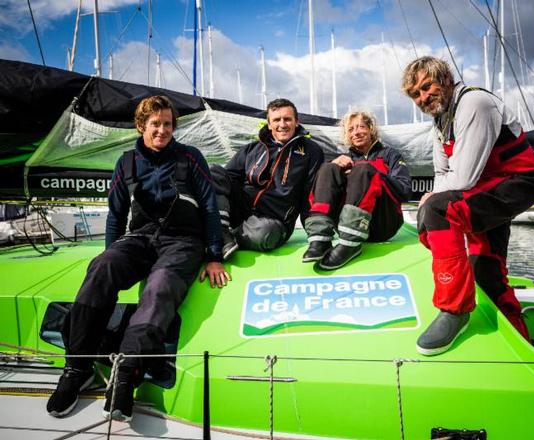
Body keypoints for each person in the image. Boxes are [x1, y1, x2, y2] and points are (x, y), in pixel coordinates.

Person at [46, 95, 231, 421]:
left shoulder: (191, 157)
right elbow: (116, 215)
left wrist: (214, 255)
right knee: (102, 268)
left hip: (182, 241)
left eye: (168, 124)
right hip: (140, 238)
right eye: (155, 124)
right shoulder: (127, 162)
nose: (162, 130)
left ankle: (126, 372)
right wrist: (111, 252)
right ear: (142, 125)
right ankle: (77, 368)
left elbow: (210, 208)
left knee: (159, 288)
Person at [401, 56, 534, 356]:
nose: (423, 97)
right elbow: (443, 173)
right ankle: (524, 350)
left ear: (445, 79)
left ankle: (454, 309)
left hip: (517, 181)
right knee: (488, 275)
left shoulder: (475, 104)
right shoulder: (440, 121)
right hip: (485, 188)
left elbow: (463, 177)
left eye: (427, 87)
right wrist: (430, 203)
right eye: (416, 94)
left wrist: (429, 202)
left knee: (439, 209)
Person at [211, 98, 324, 254]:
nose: (282, 124)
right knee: (213, 171)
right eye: (276, 120)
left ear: (296, 122)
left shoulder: (312, 151)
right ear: (269, 124)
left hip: (274, 221)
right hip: (241, 211)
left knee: (265, 233)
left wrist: (316, 237)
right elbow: (225, 180)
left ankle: (230, 237)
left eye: (287, 119)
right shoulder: (252, 149)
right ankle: (220, 230)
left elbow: (310, 194)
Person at [303, 110, 412, 269]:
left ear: (370, 129)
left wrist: (372, 173)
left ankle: (350, 244)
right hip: (344, 226)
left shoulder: (390, 155)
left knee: (363, 170)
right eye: (351, 129)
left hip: (382, 225)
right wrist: (336, 165)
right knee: (328, 168)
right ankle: (320, 239)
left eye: (361, 127)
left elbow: (405, 190)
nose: (357, 132)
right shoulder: (345, 158)